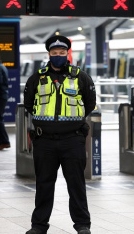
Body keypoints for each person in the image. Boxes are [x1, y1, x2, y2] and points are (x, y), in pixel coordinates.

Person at [24, 35, 96, 234]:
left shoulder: (81, 77)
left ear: (67, 54)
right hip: (44, 140)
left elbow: (89, 103)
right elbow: (29, 104)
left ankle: (82, 225)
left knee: (76, 185)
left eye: (61, 53)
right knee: (44, 185)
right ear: (49, 54)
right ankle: (38, 226)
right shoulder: (37, 78)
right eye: (54, 53)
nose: (58, 56)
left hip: (72, 139)